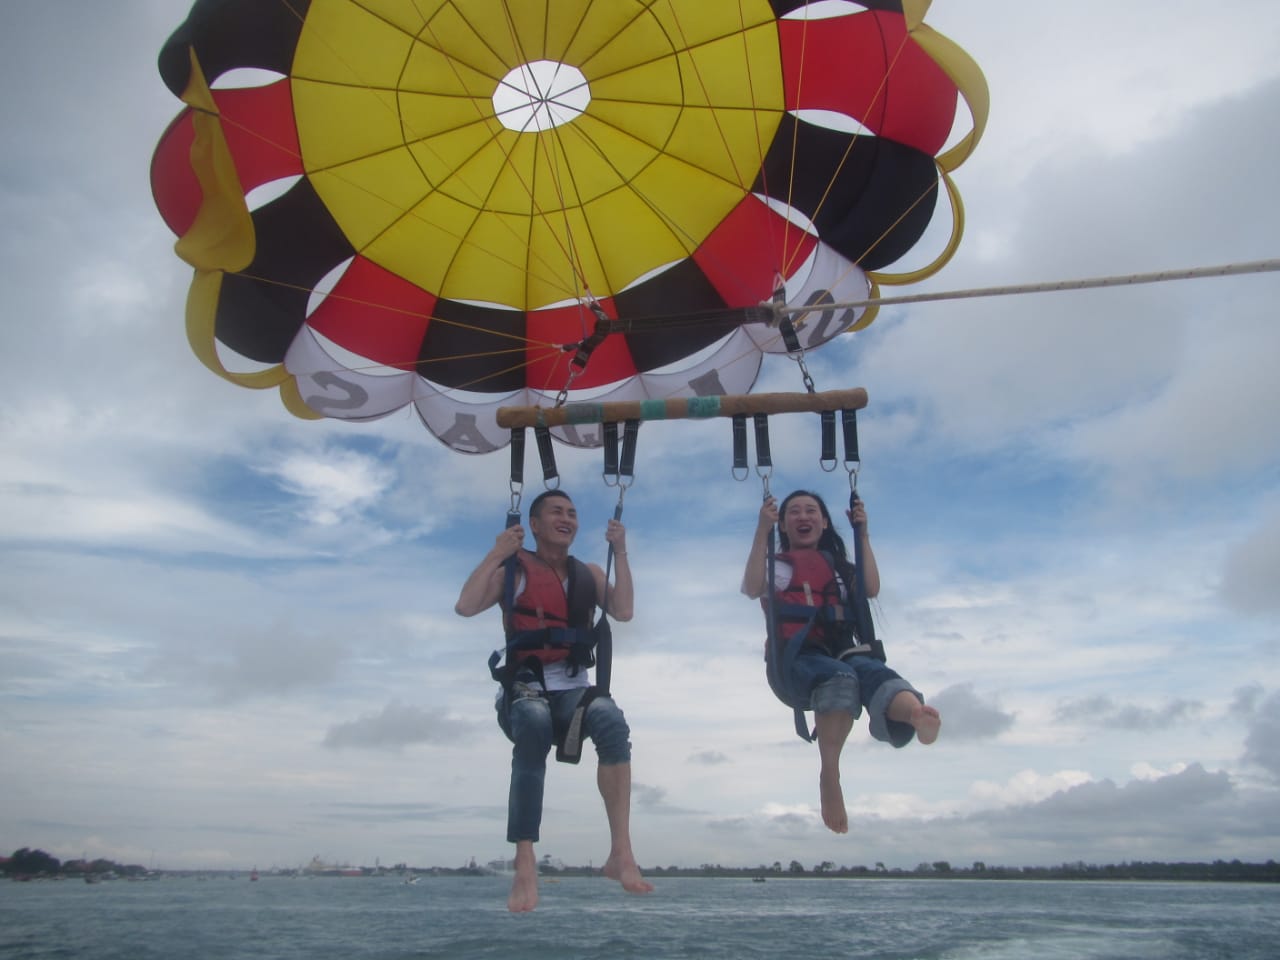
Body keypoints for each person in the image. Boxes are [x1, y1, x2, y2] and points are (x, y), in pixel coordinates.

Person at [455, 489, 653, 912]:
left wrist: (622, 551)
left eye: (573, 513)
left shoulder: (591, 573)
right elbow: (466, 605)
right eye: (557, 512)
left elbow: (624, 611)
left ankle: (621, 852)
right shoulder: (514, 570)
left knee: (613, 724)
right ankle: (525, 861)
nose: (567, 518)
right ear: (536, 524)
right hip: (523, 691)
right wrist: (495, 554)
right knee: (533, 721)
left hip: (572, 693)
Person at [741, 490, 941, 834]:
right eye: (794, 512)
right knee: (841, 677)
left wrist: (861, 534)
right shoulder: (780, 568)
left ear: (824, 522)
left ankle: (914, 714)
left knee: (875, 674)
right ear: (784, 524)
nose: (804, 516)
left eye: (812, 511)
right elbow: (751, 586)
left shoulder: (838, 570)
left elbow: (871, 588)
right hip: (796, 662)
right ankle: (830, 774)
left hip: (843, 653)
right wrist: (763, 530)